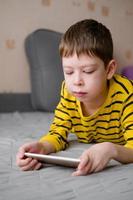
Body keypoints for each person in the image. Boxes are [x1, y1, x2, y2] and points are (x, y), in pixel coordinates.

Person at [16, 19, 133, 176]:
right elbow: (58, 133)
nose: (76, 81)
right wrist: (42, 147)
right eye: (69, 72)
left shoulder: (125, 94)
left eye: (88, 71)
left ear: (109, 70)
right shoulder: (68, 90)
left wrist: (111, 149)